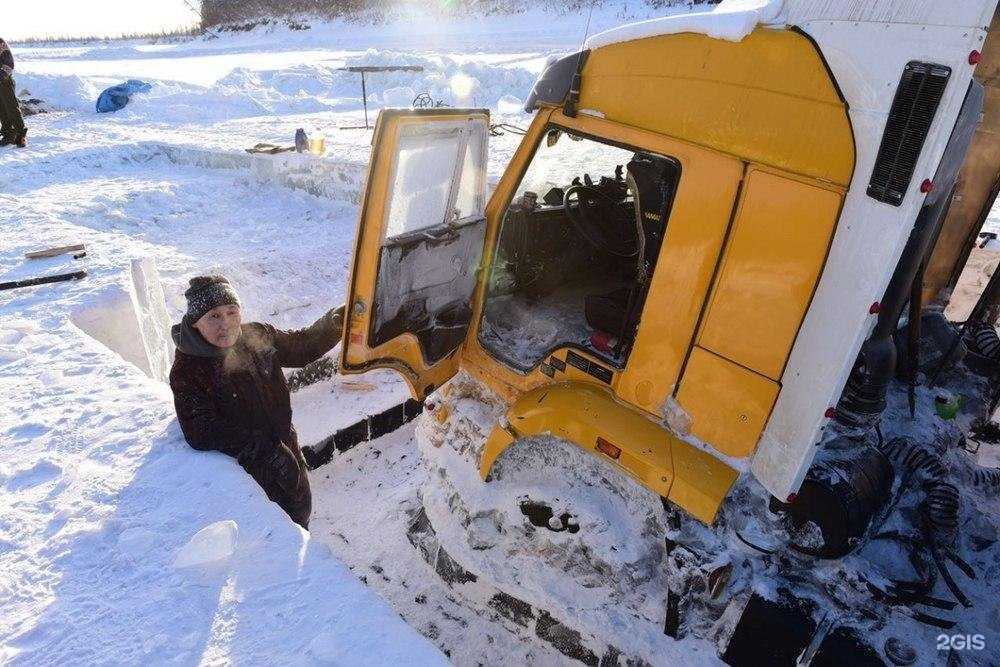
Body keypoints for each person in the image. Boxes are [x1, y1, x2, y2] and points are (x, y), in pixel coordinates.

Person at [169, 275, 344, 529]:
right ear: (196, 323)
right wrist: (266, 451)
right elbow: (200, 430)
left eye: (231, 312)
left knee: (301, 512)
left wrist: (335, 323)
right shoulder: (188, 369)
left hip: (286, 445)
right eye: (214, 316)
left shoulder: (256, 337)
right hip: (251, 470)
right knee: (278, 531)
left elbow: (302, 346)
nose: (226, 324)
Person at [0, 37, 27, 148]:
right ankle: (8, 135)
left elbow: (9, 62)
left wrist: (3, 75)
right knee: (2, 110)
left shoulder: (0, 43)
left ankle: (21, 136)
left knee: (12, 108)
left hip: (4, 81)